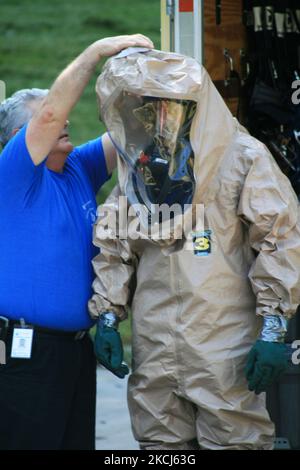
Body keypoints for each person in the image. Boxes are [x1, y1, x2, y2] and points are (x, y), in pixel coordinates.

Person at [89, 48, 300, 450]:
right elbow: (114, 244)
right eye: (147, 108)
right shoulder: (141, 168)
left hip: (223, 345)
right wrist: (109, 317)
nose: (156, 117)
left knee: (235, 441)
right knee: (159, 445)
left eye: (167, 106)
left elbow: (281, 238)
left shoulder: (241, 158)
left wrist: (274, 327)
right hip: (155, 346)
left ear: (193, 107)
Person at [0, 34, 154, 451]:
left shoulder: (76, 168)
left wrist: (143, 74)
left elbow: (132, 129)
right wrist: (95, 53)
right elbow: (51, 113)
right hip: (25, 355)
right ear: (20, 137)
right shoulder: (14, 175)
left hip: (73, 352)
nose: (65, 121)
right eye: (53, 119)